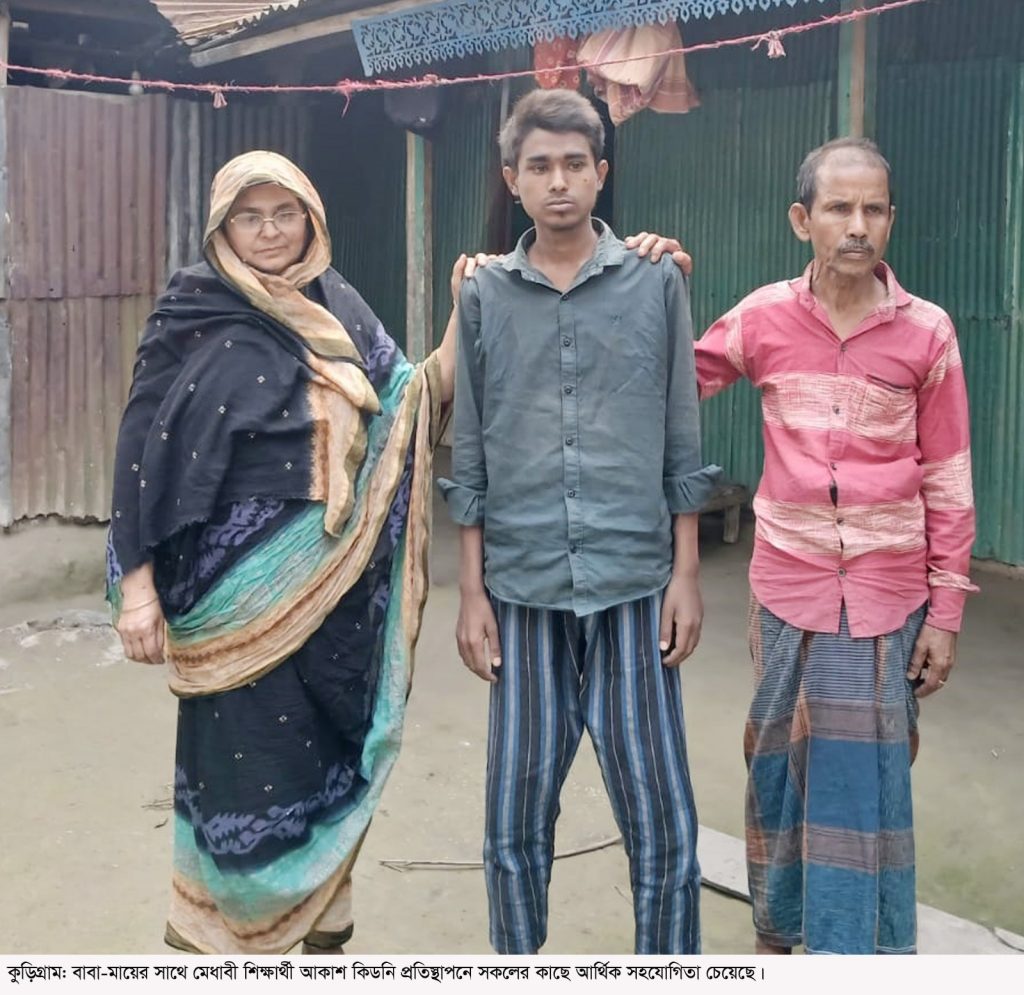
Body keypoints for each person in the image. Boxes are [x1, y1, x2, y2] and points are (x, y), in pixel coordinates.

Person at [108, 150, 455, 955]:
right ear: (221, 227)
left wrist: (465, 311)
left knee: (327, 758)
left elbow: (406, 401)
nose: (269, 231)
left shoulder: (339, 305)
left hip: (335, 596)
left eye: (285, 213)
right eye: (249, 216)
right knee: (237, 772)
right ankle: (226, 939)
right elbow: (138, 449)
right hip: (226, 601)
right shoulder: (191, 309)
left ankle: (323, 931)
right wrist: (137, 586)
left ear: (311, 219)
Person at [440, 88, 721, 955]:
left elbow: (681, 435)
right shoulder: (484, 294)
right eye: (539, 166)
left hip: (634, 583)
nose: (557, 181)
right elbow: (471, 447)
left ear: (601, 173)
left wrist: (685, 573)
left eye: (574, 164)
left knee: (662, 819)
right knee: (514, 818)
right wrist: (471, 590)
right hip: (522, 588)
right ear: (512, 180)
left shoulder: (655, 281)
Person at [695, 137, 977, 954]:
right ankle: (778, 932)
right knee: (777, 768)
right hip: (788, 589)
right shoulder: (762, 318)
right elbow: (675, 380)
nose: (858, 225)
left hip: (889, 597)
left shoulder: (926, 333)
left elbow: (949, 480)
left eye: (873, 209)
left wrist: (946, 613)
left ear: (890, 220)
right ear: (802, 219)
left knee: (865, 787)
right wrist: (642, 279)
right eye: (839, 208)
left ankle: (859, 949)